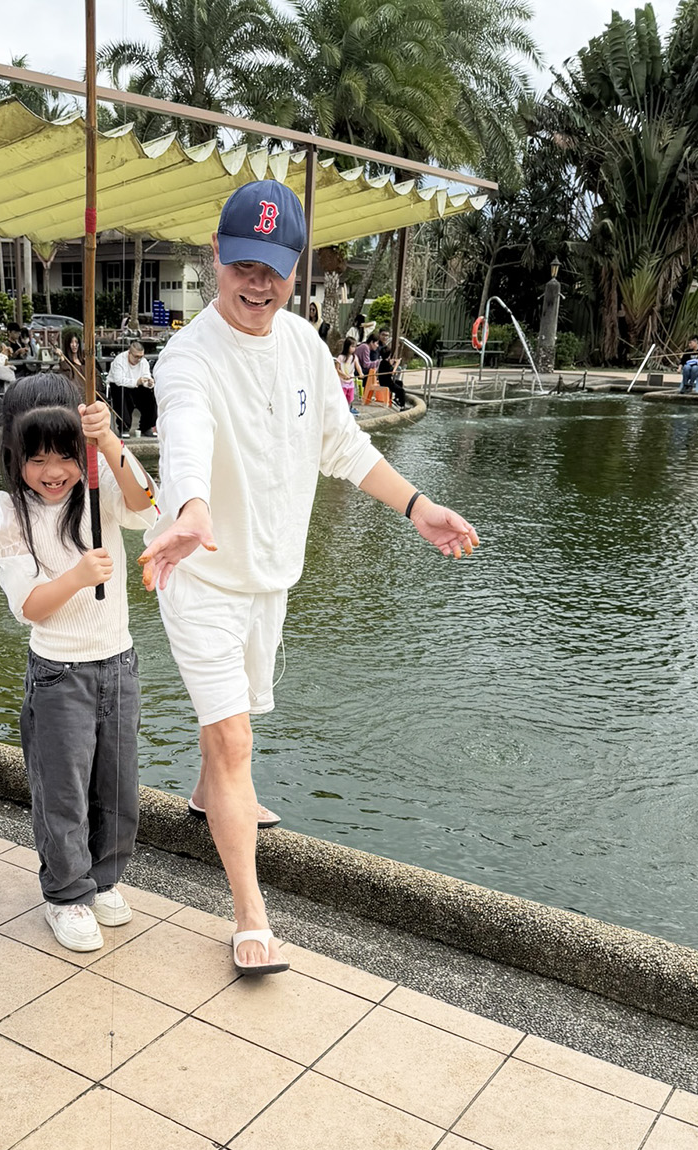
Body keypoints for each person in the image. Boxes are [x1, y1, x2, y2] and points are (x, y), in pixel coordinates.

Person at [144, 177, 477, 974]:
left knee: (235, 725)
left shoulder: (303, 347)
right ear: (217, 255)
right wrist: (189, 505)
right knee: (235, 737)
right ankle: (250, 913)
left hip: (269, 579)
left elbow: (342, 446)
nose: (257, 285)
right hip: (198, 573)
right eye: (244, 265)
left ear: (297, 270)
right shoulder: (186, 356)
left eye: (275, 269)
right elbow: (186, 430)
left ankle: (203, 797)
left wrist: (417, 506)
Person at [0, 372, 157, 953]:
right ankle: (66, 893)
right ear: (15, 453)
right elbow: (29, 608)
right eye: (37, 458)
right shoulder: (12, 514)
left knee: (118, 785)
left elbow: (146, 503)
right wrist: (78, 575)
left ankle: (103, 879)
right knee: (61, 790)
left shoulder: (98, 482)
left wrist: (109, 443)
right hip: (59, 675)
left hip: (119, 663)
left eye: (67, 453)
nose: (54, 470)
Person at [108, 340, 157, 436]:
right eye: (136, 357)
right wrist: (136, 382)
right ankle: (124, 427)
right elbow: (118, 380)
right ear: (129, 353)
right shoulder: (119, 360)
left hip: (137, 386)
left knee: (150, 394)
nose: (138, 359)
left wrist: (149, 383)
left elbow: (146, 375)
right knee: (121, 393)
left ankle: (146, 426)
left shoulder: (143, 362)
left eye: (140, 357)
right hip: (119, 386)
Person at [374, 328, 408, 411]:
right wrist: (397, 364)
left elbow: (389, 367)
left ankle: (396, 399)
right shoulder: (385, 363)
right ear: (388, 356)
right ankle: (402, 406)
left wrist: (392, 363)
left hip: (386, 381)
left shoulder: (383, 362)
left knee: (399, 383)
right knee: (402, 391)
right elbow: (393, 372)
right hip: (387, 383)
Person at [335, 336, 362, 413]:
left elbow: (358, 366)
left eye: (355, 346)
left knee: (350, 398)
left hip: (350, 381)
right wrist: (344, 375)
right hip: (342, 382)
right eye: (352, 346)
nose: (354, 348)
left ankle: (348, 410)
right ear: (347, 346)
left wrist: (361, 373)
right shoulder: (340, 357)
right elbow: (337, 369)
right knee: (342, 397)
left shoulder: (354, 357)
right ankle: (341, 410)